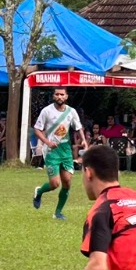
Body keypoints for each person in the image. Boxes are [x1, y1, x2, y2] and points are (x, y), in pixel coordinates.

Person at [31, 87, 86, 217]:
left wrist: (84, 141)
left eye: (62, 94)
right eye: (57, 94)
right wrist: (47, 142)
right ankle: (39, 192)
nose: (59, 97)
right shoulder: (46, 111)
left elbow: (78, 128)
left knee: (67, 182)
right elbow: (37, 129)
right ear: (53, 96)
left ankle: (58, 212)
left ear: (66, 96)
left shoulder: (71, 112)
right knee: (55, 184)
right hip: (51, 151)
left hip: (65, 150)